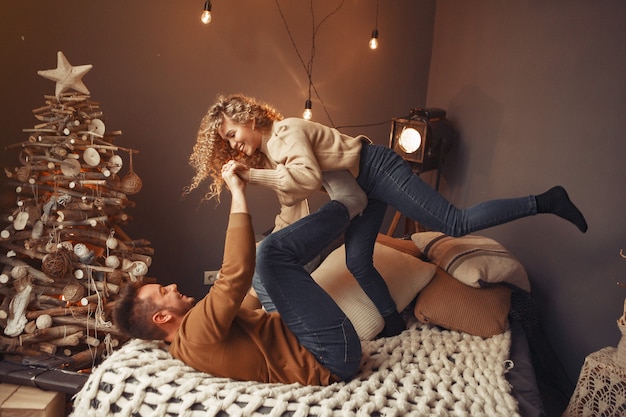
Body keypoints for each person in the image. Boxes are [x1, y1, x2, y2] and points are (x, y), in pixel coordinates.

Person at [185, 93, 588, 337]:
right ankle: (392, 324)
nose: (235, 146)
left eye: (232, 135)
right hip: (361, 189)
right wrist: (271, 246)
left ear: (250, 120)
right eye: (227, 143)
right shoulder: (274, 151)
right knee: (358, 259)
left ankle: (546, 200)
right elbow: (293, 199)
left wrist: (252, 176)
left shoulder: (287, 131)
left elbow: (305, 178)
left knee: (454, 223)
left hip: (379, 169)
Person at [113, 161, 362, 385]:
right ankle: (348, 204)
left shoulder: (187, 344)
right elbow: (234, 276)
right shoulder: (194, 331)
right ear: (162, 317)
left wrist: (257, 278)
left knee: (259, 261)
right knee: (269, 255)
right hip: (329, 355)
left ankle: (333, 215)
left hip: (300, 340)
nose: (173, 286)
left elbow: (244, 305)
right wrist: (238, 191)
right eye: (163, 291)